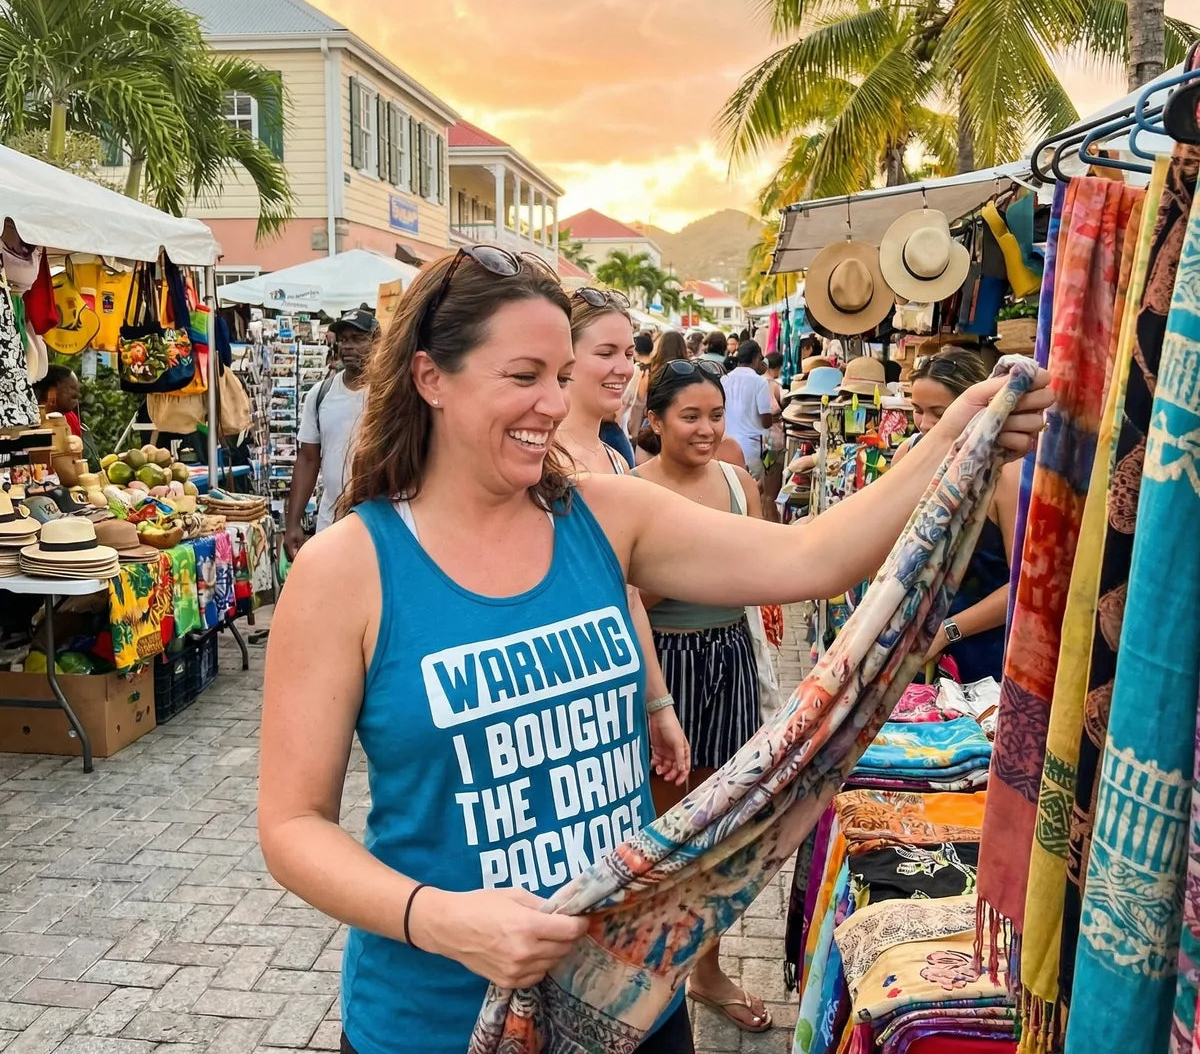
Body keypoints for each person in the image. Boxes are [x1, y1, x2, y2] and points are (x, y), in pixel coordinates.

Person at [258, 246, 1050, 1054]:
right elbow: (291, 825)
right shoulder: (348, 569)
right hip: (432, 1018)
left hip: (634, 1005)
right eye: (523, 375)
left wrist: (955, 435)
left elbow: (813, 556)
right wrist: (440, 919)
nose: (551, 404)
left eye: (561, 376)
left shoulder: (603, 518)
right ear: (431, 377)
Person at [633, 361, 772, 1033]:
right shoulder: (630, 492)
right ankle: (654, 973)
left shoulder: (740, 484)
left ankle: (707, 970)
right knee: (667, 829)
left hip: (729, 657)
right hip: (662, 668)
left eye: (715, 415)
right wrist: (688, 563)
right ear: (655, 421)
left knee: (721, 825)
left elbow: (764, 568)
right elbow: (625, 600)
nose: (707, 429)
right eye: (689, 416)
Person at [558, 287, 691, 788]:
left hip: (617, 690)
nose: (623, 368)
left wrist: (659, 705)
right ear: (564, 357)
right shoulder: (540, 462)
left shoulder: (615, 459)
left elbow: (629, 596)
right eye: (606, 352)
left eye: (630, 354)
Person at [891, 348, 1019, 682]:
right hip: (910, 646)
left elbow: (1021, 584)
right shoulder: (909, 454)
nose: (925, 424)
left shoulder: (1005, 474)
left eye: (939, 412)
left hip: (981, 658)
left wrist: (947, 632)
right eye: (917, 410)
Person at [283, 308, 379, 559]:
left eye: (357, 339)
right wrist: (293, 522)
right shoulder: (320, 394)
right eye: (343, 339)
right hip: (332, 522)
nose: (348, 347)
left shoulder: (390, 395)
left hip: (382, 524)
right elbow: (308, 459)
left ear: (377, 343)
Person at [721, 339, 777, 482]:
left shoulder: (724, 379)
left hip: (725, 446)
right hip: (750, 450)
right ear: (756, 358)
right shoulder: (759, 382)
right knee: (750, 489)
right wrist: (775, 418)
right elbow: (766, 421)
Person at [761, 351, 786, 523]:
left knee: (764, 486)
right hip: (773, 443)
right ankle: (770, 521)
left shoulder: (756, 383)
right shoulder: (775, 387)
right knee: (771, 490)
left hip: (760, 442)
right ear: (777, 368)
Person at [623, 330, 655, 439]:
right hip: (649, 419)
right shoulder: (656, 368)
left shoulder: (637, 369)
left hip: (635, 419)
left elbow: (629, 397)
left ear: (635, 351)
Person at [33, 366, 82, 436]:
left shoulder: (71, 417)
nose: (77, 395)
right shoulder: (29, 421)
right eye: (72, 388)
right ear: (52, 393)